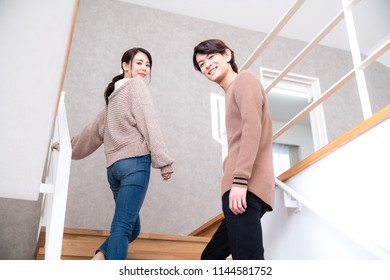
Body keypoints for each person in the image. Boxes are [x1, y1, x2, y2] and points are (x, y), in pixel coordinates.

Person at [55, 48, 174, 260]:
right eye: (139, 63)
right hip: (135, 164)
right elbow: (150, 123)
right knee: (121, 227)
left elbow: (92, 132)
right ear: (125, 65)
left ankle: (99, 258)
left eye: (147, 64)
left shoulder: (113, 96)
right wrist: (163, 162)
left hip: (114, 169)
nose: (144, 68)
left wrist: (66, 146)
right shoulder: (136, 86)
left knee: (131, 228)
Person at [192, 39, 275, 260]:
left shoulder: (244, 80)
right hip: (242, 186)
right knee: (210, 258)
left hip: (244, 186)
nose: (207, 65)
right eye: (201, 64)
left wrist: (240, 180)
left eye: (211, 57)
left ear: (228, 55)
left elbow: (251, 129)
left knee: (249, 263)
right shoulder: (230, 93)